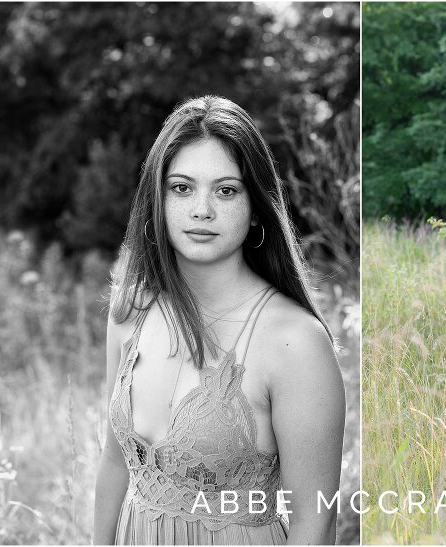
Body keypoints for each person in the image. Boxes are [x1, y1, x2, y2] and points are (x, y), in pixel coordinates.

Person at [93, 96, 346, 544]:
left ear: (254, 209)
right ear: (158, 198)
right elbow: (115, 461)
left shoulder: (294, 342)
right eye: (182, 188)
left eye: (225, 190)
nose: (201, 210)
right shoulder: (130, 310)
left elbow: (316, 521)